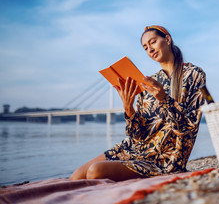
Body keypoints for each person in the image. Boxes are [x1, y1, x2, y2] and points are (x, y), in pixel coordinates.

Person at [70, 25, 206, 181]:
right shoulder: (148, 83)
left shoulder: (194, 74)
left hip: (164, 158)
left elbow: (188, 128)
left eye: (153, 42)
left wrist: (164, 99)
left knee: (95, 171)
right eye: (146, 48)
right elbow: (137, 135)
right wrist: (128, 109)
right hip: (135, 148)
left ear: (167, 40)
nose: (150, 49)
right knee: (76, 177)